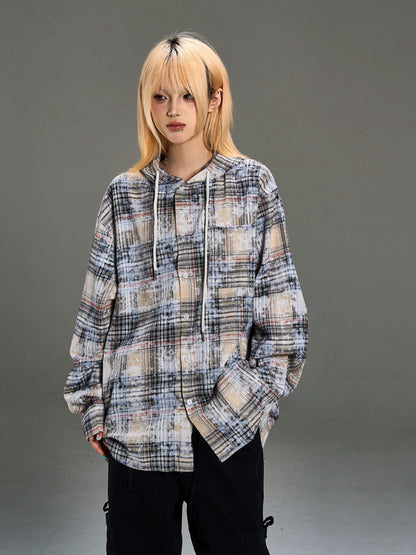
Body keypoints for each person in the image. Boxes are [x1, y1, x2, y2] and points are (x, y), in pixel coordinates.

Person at [63, 30, 308, 555]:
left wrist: (248, 405)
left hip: (227, 426)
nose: (173, 109)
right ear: (146, 102)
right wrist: (91, 404)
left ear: (214, 99)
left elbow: (283, 313)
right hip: (137, 428)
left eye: (188, 95)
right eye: (160, 95)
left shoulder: (252, 186)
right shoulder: (124, 195)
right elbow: (95, 310)